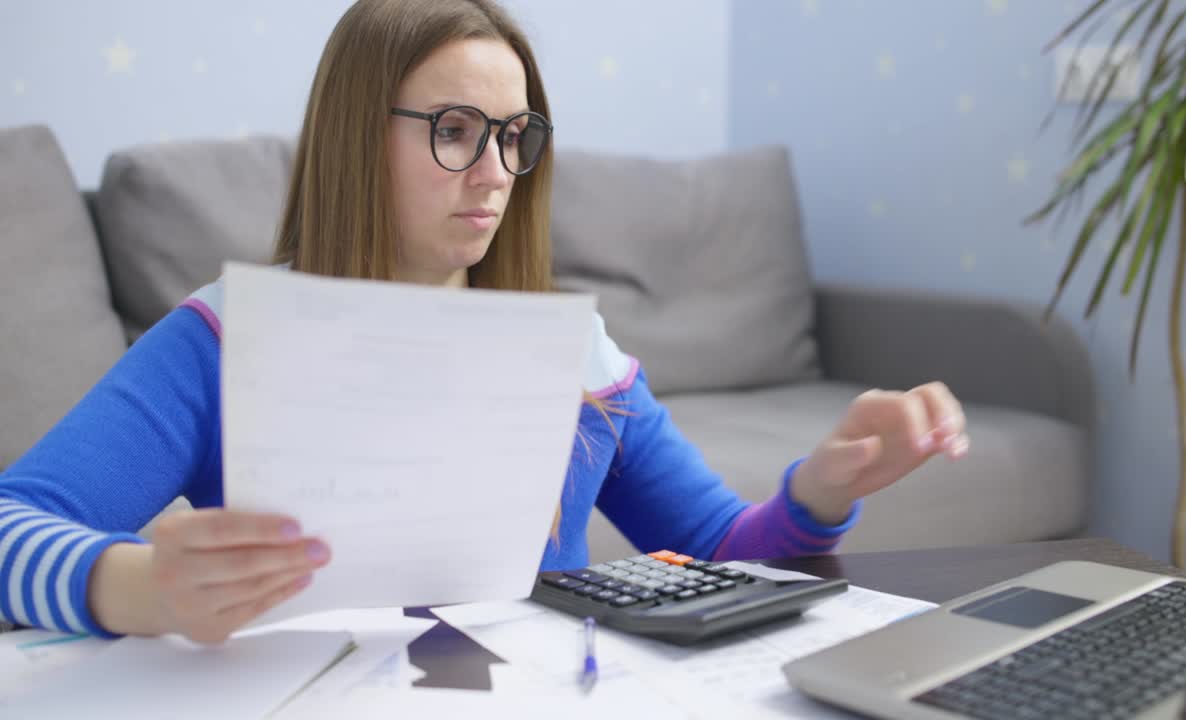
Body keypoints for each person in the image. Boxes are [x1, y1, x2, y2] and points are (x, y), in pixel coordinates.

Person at [0, 0, 969, 645]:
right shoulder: (222, 340)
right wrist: (133, 588)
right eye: (455, 130)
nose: (497, 173)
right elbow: (10, 529)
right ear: (353, 136)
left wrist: (824, 487)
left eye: (514, 137)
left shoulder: (573, 355)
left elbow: (717, 550)